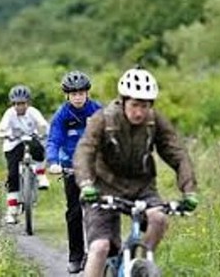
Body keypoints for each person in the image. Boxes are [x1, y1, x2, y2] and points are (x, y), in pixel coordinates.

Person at [73, 66, 199, 277]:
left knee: (159, 219)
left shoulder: (154, 121)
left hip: (142, 187)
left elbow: (177, 153)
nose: (139, 112)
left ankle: (141, 264)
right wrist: (86, 184)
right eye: (135, 105)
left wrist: (189, 190)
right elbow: (85, 151)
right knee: (100, 248)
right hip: (102, 188)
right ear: (123, 101)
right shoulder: (103, 119)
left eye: (145, 106)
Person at [46, 71, 102, 273]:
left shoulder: (97, 110)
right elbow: (54, 140)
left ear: (87, 93)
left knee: (99, 210)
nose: (78, 97)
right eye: (73, 93)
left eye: (81, 93)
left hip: (95, 167)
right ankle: (76, 256)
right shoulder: (62, 115)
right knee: (74, 212)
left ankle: (100, 253)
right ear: (67, 95)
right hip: (71, 167)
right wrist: (52, 161)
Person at [0, 85, 50, 224]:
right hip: (13, 144)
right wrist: (3, 134)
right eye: (17, 104)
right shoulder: (9, 114)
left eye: (23, 103)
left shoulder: (33, 112)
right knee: (12, 175)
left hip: (30, 140)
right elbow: (1, 129)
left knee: (38, 149)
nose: (20, 107)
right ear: (13, 104)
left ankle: (41, 174)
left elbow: (43, 125)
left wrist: (42, 132)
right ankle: (12, 211)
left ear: (28, 103)